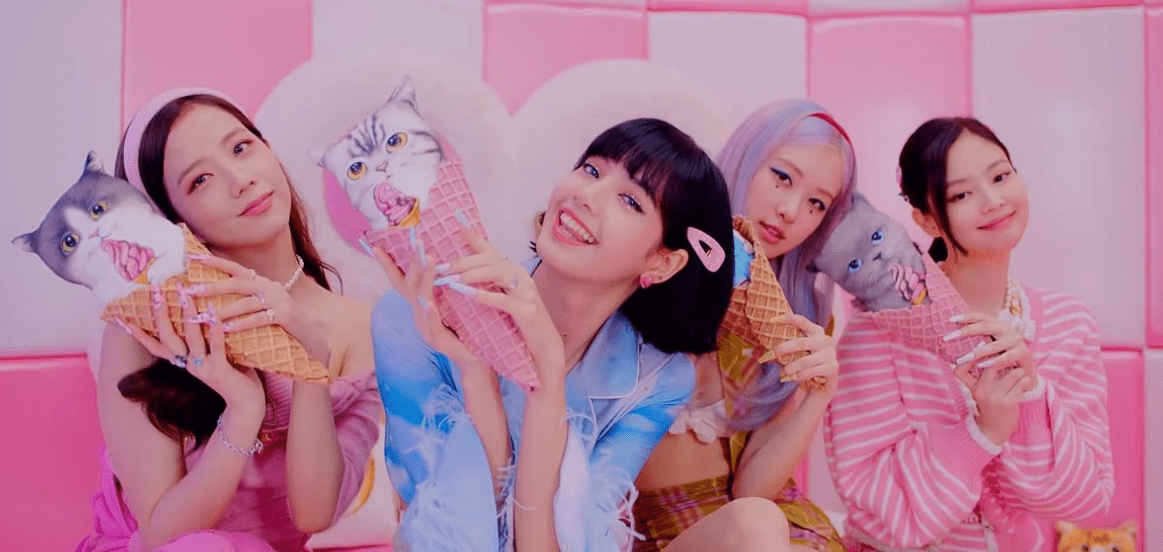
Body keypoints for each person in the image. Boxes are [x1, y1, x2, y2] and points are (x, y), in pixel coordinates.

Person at [370, 118, 735, 552]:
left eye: (630, 200)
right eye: (591, 170)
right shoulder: (410, 316)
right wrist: (476, 373)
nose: (586, 195)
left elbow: (565, 543)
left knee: (756, 522)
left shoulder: (659, 380)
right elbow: (453, 533)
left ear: (662, 263)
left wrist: (547, 382)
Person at [78, 88, 382, 552]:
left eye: (242, 147)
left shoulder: (363, 329)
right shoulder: (144, 331)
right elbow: (164, 534)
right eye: (200, 180)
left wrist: (310, 366)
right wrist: (243, 412)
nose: (240, 180)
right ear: (171, 222)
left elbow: (314, 514)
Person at [825, 117, 1114, 551]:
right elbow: (879, 511)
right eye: (961, 194)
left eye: (1000, 176)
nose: (993, 201)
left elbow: (1084, 499)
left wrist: (1029, 397)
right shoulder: (876, 331)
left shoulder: (1069, 323)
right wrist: (981, 433)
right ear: (926, 220)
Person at [631, 100, 853, 552]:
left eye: (817, 203)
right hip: (661, 534)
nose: (791, 210)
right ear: (744, 158)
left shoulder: (800, 317)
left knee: (757, 522)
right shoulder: (650, 262)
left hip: (774, 529)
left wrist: (817, 395)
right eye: (783, 176)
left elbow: (753, 491)